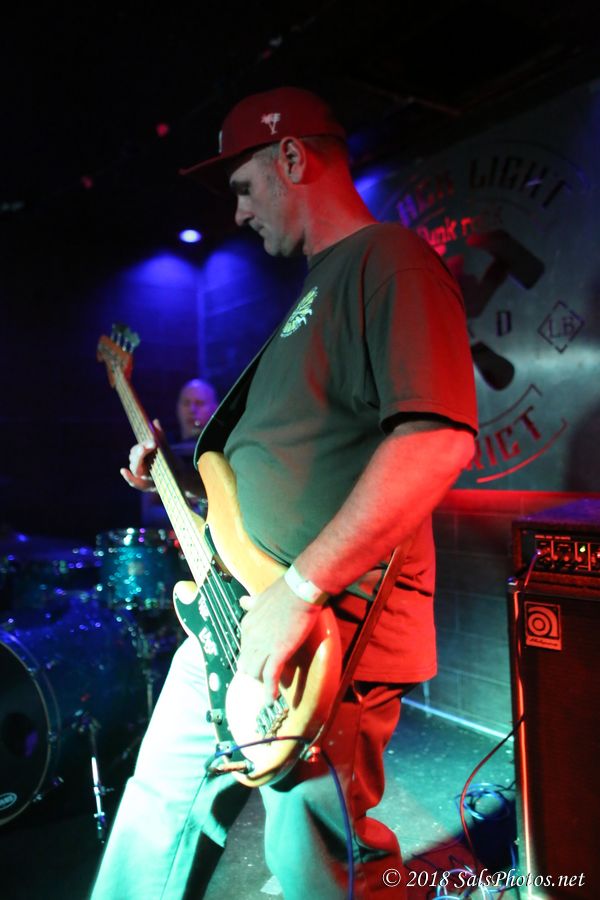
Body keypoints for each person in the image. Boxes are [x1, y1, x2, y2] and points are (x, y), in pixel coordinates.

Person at [91, 86, 477, 899]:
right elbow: (286, 471)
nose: (237, 213)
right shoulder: (311, 296)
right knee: (154, 809)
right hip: (235, 618)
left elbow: (436, 439)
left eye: (242, 186)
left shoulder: (390, 261)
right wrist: (177, 480)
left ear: (292, 157)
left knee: (313, 868)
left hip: (322, 630)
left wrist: (299, 590)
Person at [140, 378, 218, 527]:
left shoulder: (224, 450)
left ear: (215, 408)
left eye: (200, 403)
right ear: (178, 408)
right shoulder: (164, 450)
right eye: (186, 403)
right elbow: (149, 513)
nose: (192, 410)